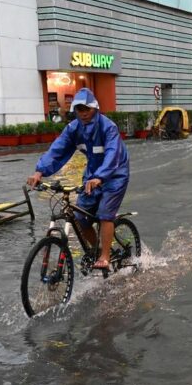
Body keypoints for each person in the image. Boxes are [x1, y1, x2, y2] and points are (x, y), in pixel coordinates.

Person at [27, 88, 129, 270]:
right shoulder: (73, 129)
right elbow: (57, 149)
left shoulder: (108, 127)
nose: (82, 113)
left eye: (86, 109)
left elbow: (113, 154)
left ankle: (106, 257)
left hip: (115, 173)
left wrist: (100, 177)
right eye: (79, 110)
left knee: (105, 214)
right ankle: (97, 248)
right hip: (92, 174)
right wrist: (39, 172)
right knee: (79, 215)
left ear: (95, 109)